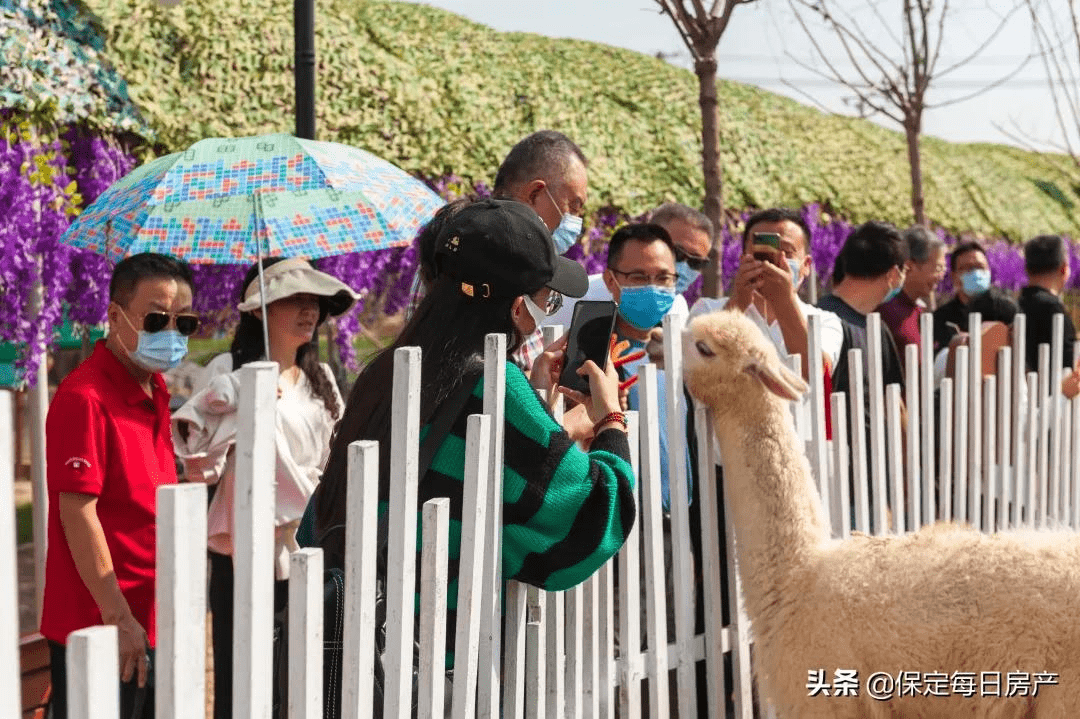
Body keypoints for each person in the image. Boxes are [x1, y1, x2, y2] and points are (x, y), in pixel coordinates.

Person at [302, 199, 635, 675]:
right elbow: (597, 515)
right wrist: (610, 420)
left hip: (356, 641)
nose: (549, 310)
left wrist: (541, 400)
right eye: (548, 298)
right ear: (518, 305)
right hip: (436, 663)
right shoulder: (495, 384)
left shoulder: (388, 371)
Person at [172, 257, 355, 719]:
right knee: (243, 674)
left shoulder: (322, 379)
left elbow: (333, 462)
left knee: (302, 672)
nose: (308, 310)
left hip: (310, 543)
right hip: (245, 548)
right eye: (293, 298)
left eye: (313, 299)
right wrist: (241, 398)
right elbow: (195, 457)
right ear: (258, 309)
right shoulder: (225, 370)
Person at [42, 253, 196, 719]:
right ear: (114, 315)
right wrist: (118, 616)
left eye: (183, 322)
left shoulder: (156, 391)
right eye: (156, 317)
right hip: (101, 624)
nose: (169, 332)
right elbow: (78, 510)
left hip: (153, 617)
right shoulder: (83, 397)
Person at [493, 130, 589, 370]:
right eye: (574, 207)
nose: (577, 222)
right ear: (535, 194)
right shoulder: (478, 260)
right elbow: (514, 390)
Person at [548, 202, 710, 329]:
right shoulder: (579, 297)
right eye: (677, 252)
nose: (683, 267)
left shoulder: (678, 308)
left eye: (696, 262)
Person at [876, 225, 946, 369]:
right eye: (937, 269)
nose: (941, 277)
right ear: (910, 267)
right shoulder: (885, 311)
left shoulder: (917, 310)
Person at [932, 240, 1018, 352]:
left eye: (980, 267)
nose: (976, 273)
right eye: (968, 268)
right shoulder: (942, 317)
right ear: (954, 276)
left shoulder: (1006, 309)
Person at [1019, 234, 1076, 373]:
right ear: (1064, 269)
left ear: (1027, 269)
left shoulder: (1015, 305)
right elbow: (1069, 365)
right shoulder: (1054, 309)